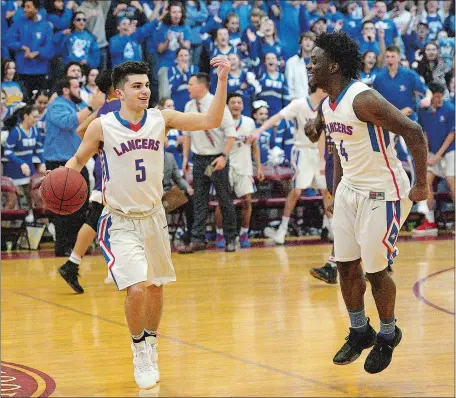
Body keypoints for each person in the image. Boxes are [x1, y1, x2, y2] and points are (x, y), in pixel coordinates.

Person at [64, 57, 231, 389]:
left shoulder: (162, 119)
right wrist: (60, 181)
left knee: (155, 287)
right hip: (119, 220)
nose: (144, 91)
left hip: (154, 219)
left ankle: (151, 342)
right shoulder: (102, 125)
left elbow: (212, 119)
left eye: (146, 85)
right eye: (136, 86)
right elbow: (79, 159)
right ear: (119, 92)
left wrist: (222, 79)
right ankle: (139, 348)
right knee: (137, 287)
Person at [305, 31, 428, 374]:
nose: (308, 65)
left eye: (314, 61)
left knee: (375, 270)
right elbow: (337, 150)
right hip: (351, 190)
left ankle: (388, 334)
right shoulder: (328, 103)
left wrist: (421, 186)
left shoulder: (363, 99)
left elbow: (414, 132)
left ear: (333, 65)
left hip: (384, 191)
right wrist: (334, 190)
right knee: (344, 266)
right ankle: (360, 331)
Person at [58, 70, 120, 293]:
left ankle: (73, 264)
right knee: (99, 218)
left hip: (106, 171)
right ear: (117, 87)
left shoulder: (104, 109)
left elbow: (80, 129)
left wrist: (97, 147)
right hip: (116, 173)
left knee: (98, 218)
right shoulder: (119, 108)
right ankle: (78, 264)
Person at [44, 76, 104, 257]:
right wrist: (92, 107)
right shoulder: (56, 105)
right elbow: (69, 122)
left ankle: (75, 245)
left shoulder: (76, 106)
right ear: (65, 90)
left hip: (78, 159)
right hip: (59, 160)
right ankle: (62, 247)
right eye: (77, 87)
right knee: (64, 206)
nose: (80, 90)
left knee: (81, 205)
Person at [178, 72, 238, 254]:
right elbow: (186, 134)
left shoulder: (217, 103)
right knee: (199, 200)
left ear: (201, 86)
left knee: (224, 199)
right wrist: (185, 159)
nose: (187, 87)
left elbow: (231, 134)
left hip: (216, 157)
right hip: (198, 158)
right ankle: (197, 239)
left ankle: (230, 239)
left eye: (190, 84)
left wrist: (224, 157)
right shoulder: (189, 105)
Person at [215, 92, 264, 249]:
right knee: (221, 202)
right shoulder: (221, 122)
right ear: (228, 105)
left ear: (243, 106)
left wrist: (259, 167)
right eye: (233, 102)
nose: (236, 105)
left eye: (239, 102)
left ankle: (244, 233)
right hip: (226, 165)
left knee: (247, 200)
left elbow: (255, 147)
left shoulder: (249, 123)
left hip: (244, 167)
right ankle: (220, 233)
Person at [412, 82, 455, 236]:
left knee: (451, 181)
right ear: (430, 95)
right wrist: (427, 153)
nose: (438, 100)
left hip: (450, 151)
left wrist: (437, 156)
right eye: (436, 97)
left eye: (440, 97)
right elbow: (424, 133)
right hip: (433, 151)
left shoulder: (450, 109)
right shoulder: (423, 110)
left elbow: (452, 135)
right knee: (426, 182)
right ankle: (430, 222)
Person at [5, 0, 54, 100]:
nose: (25, 10)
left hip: (40, 72)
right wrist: (22, 47)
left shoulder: (46, 26)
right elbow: (7, 40)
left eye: (28, 7)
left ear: (36, 9)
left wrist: (37, 53)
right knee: (23, 102)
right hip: (22, 71)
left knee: (38, 102)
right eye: (24, 7)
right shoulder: (19, 23)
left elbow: (50, 49)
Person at [3, 105, 46, 213]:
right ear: (26, 116)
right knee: (11, 201)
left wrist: (42, 162)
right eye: (34, 117)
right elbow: (7, 152)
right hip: (13, 171)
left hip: (29, 170)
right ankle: (3, 226)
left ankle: (38, 226)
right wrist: (21, 163)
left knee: (37, 199)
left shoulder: (35, 131)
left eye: (37, 117)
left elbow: (39, 150)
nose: (36, 120)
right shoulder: (15, 132)